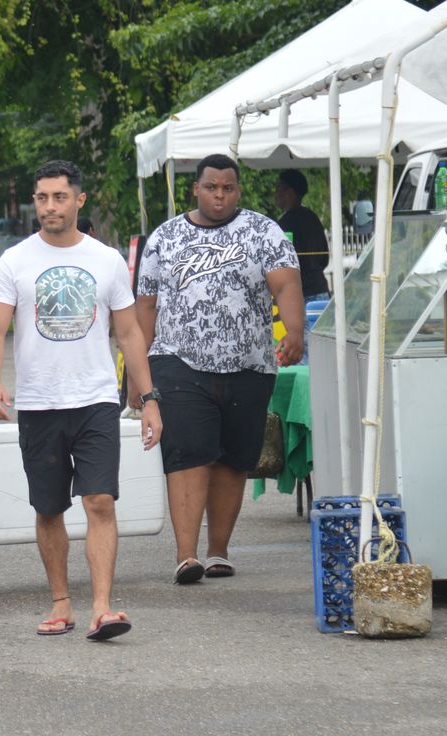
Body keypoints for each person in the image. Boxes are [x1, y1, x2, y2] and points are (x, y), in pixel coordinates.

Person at [0, 159, 162, 641]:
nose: (49, 206)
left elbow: (128, 333)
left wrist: (149, 398)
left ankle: (102, 607)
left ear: (79, 200)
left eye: (59, 197)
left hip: (95, 400)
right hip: (39, 404)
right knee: (48, 508)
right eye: (42, 198)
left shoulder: (105, 260)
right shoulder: (14, 261)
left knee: (99, 499)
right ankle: (62, 602)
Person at [133, 153, 304, 584]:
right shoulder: (165, 238)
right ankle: (187, 555)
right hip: (178, 361)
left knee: (233, 458)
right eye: (212, 187)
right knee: (188, 454)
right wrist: (136, 376)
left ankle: (218, 551)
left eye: (228, 188)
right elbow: (146, 306)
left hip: (249, 364)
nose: (220, 195)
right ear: (196, 188)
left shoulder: (262, 231)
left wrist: (295, 332)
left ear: (238, 190)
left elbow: (285, 283)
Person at [275, 169, 330, 364]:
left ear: (290, 191)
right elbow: (325, 258)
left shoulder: (284, 223)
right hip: (321, 293)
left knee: (304, 357)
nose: (276, 194)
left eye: (279, 189)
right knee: (321, 355)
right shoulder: (312, 217)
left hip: (301, 297)